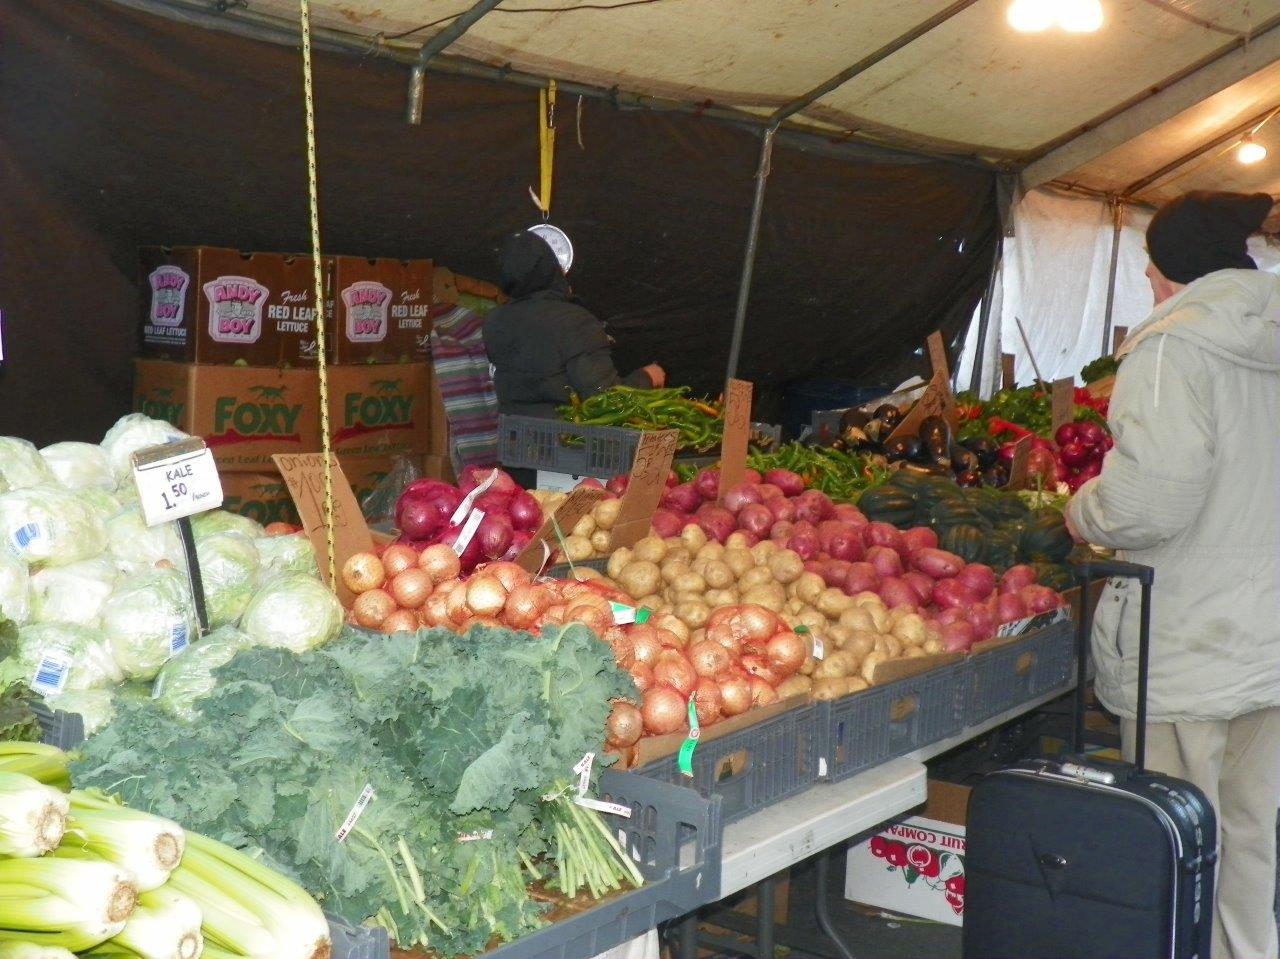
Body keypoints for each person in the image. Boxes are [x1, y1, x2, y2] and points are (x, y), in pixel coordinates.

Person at [1064, 190, 1280, 959]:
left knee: (1172, 835)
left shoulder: (1173, 349)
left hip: (1189, 636)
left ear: (1174, 270)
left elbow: (1148, 501)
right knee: (1247, 836)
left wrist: (1084, 510)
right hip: (1266, 639)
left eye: (1153, 268)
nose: (1149, 283)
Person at [482, 229, 665, 420]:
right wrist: (647, 377)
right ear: (550, 268)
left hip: (517, 441)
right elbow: (604, 400)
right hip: (567, 442)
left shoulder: (494, 322)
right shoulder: (574, 320)